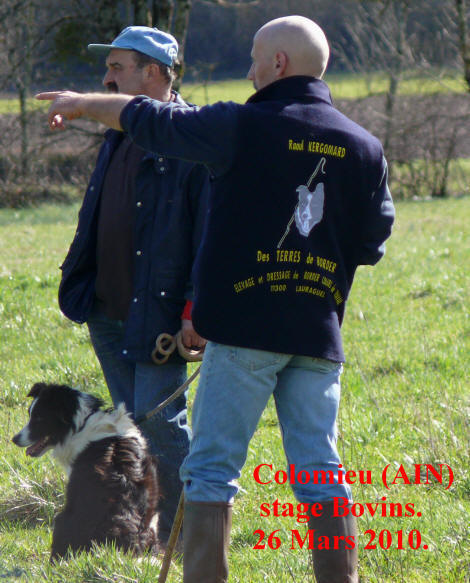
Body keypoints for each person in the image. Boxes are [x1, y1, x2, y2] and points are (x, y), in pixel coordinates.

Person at [38, 15, 395, 583]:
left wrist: (82, 102)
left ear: (278, 64)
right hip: (317, 332)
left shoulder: (239, 125)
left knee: (209, 471)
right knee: (321, 470)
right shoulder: (366, 146)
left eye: (254, 59)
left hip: (243, 330)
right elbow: (373, 242)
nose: (249, 72)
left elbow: (148, 120)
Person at [55, 26, 209, 548]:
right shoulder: (117, 133)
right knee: (136, 430)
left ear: (153, 72)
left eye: (117, 67)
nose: (106, 78)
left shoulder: (191, 136)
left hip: (158, 316)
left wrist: (194, 309)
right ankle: (151, 532)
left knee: (163, 428)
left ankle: (187, 537)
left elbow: (207, 233)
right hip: (106, 309)